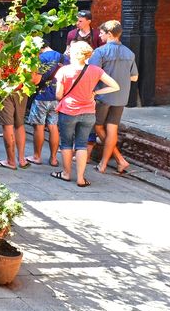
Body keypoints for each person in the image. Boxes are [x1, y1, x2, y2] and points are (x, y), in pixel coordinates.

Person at [52, 41, 120, 187]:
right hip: (88, 111)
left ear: (74, 54)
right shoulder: (95, 70)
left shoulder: (64, 71)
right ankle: (81, 179)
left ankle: (66, 173)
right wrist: (96, 92)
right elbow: (115, 86)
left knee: (66, 144)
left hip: (68, 111)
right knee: (82, 145)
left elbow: (58, 95)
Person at [89, 20, 139, 175]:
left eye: (102, 33)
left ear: (109, 34)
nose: (100, 35)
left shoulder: (100, 52)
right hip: (121, 96)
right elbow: (134, 78)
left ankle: (118, 159)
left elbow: (91, 73)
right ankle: (106, 163)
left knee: (97, 126)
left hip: (103, 96)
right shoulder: (129, 53)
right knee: (112, 129)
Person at [26, 47, 65, 167]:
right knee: (53, 126)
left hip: (42, 96)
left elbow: (36, 80)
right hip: (56, 96)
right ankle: (53, 159)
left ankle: (37, 156)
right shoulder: (62, 57)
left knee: (39, 126)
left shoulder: (42, 58)